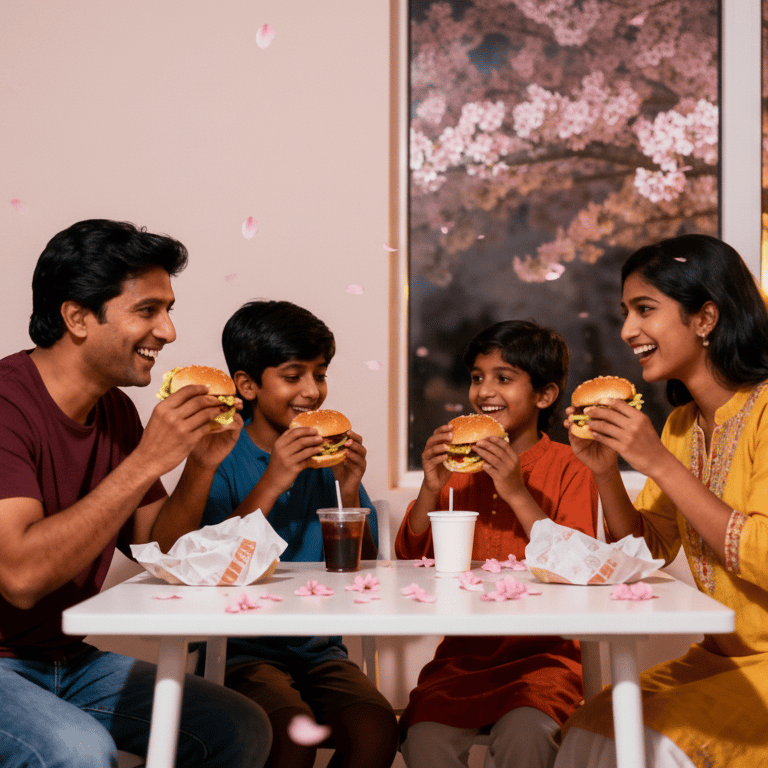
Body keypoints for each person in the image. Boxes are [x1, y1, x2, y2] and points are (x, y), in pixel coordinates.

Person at [0, 219, 272, 767]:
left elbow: (161, 550)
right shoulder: (7, 407)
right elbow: (21, 578)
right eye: (148, 310)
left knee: (239, 728)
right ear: (77, 316)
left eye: (168, 310)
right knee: (78, 752)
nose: (168, 332)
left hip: (65, 659)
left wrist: (198, 466)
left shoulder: (116, 410)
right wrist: (148, 459)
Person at [555, 233, 768, 768]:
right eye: (626, 312)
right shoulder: (680, 424)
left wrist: (658, 464)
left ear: (705, 318)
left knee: (656, 744)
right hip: (719, 658)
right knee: (590, 727)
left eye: (645, 310)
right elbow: (647, 549)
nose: (628, 330)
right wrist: (608, 472)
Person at [199, 299, 398, 768]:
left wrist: (349, 491)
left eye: (320, 374)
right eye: (293, 376)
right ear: (247, 385)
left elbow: (364, 571)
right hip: (240, 651)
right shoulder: (221, 458)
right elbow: (211, 562)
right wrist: (274, 481)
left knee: (376, 727)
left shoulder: (329, 464)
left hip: (320, 648)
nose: (312, 391)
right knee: (294, 735)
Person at [395, 319, 598, 768]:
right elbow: (411, 565)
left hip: (547, 659)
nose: (485, 392)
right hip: (462, 658)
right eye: (477, 378)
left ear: (544, 396)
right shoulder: (459, 470)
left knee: (527, 736)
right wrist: (430, 488)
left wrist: (515, 491)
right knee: (423, 737)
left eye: (503, 378)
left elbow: (578, 568)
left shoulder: (572, 466)